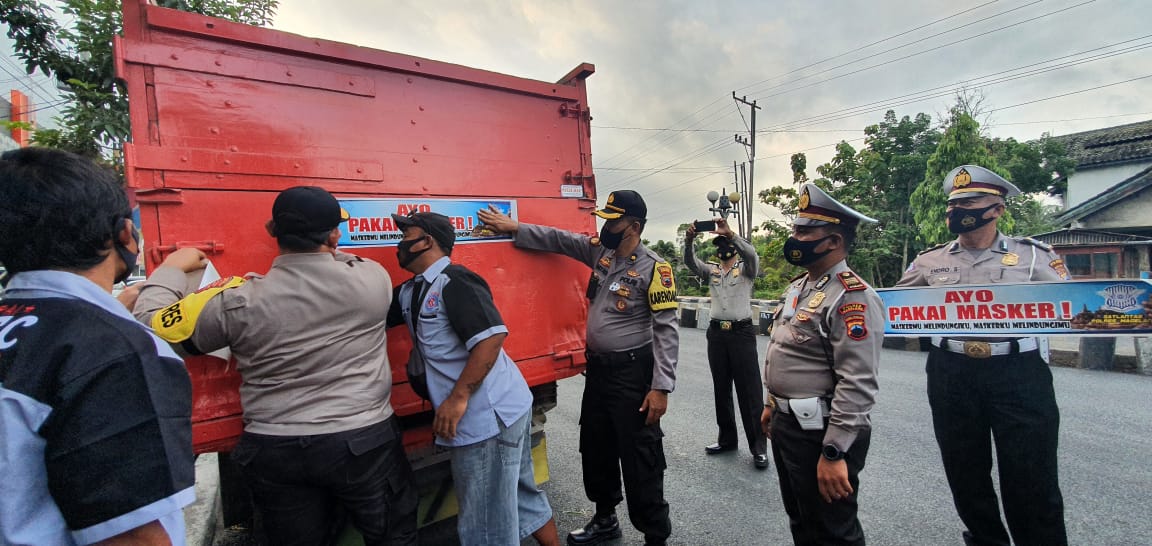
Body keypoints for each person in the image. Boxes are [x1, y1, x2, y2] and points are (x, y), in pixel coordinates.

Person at [134, 186, 417, 546]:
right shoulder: (371, 279)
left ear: (273, 231)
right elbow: (340, 260)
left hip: (276, 449)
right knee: (394, 537)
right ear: (334, 235)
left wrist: (172, 269)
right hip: (363, 441)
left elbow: (151, 330)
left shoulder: (238, 302)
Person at [0, 147, 194, 544]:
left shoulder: (50, 332)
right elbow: (131, 535)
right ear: (125, 233)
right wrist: (169, 274)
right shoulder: (115, 350)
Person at [478, 189, 678, 546]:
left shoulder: (655, 269)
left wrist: (661, 387)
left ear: (633, 225)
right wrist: (514, 227)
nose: (606, 226)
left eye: (613, 220)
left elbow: (666, 331)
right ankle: (605, 519)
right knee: (596, 445)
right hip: (600, 373)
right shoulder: (601, 253)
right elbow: (559, 240)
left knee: (640, 457)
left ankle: (655, 534)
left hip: (634, 374)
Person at [896, 165, 1069, 546]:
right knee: (964, 470)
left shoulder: (1035, 257)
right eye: (952, 204)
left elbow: (1070, 306)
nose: (956, 210)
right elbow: (895, 306)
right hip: (950, 370)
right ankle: (986, 539)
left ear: (997, 209)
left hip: (1018, 371)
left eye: (969, 202)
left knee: (1031, 475)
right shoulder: (929, 261)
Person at [386, 211, 559, 546]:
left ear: (427, 242)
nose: (401, 242)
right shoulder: (411, 292)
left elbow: (490, 339)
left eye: (407, 234)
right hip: (502, 410)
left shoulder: (457, 281)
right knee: (520, 496)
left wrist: (457, 398)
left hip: (488, 418)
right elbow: (369, 310)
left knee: (485, 523)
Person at [760, 183, 884, 546]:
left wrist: (834, 452)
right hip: (789, 424)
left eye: (804, 231)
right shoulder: (800, 286)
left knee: (833, 531)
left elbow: (857, 382)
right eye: (795, 229)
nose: (794, 238)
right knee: (802, 519)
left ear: (833, 241)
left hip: (822, 431)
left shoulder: (851, 296)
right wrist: (772, 403)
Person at [683, 217, 769, 469]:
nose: (723, 248)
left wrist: (731, 233)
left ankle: (758, 447)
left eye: (726, 243)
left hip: (741, 333)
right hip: (717, 334)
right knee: (722, 389)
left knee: (749, 392)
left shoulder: (746, 269)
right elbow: (690, 262)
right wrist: (689, 241)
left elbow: (751, 253)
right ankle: (727, 439)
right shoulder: (712, 270)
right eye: (719, 243)